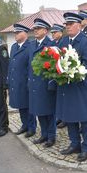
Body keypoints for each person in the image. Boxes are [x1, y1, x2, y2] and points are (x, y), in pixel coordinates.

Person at [56, 12, 87, 162]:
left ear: (79, 25)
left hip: (81, 86)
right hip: (66, 86)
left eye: (70, 24)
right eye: (66, 24)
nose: (68, 27)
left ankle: (86, 147)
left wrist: (72, 72)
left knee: (84, 117)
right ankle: (74, 144)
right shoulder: (63, 41)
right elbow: (58, 60)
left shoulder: (86, 41)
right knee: (69, 116)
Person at [28, 18, 57, 148]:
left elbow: (54, 67)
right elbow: (29, 66)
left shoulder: (50, 45)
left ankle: (51, 136)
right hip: (34, 83)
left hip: (45, 84)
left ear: (45, 30)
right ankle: (44, 134)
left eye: (38, 29)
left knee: (49, 112)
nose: (35, 31)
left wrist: (51, 84)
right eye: (34, 29)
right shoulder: (32, 44)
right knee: (39, 111)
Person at [8, 24, 37, 138]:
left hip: (25, 81)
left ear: (25, 33)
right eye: (15, 33)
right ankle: (24, 125)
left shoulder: (30, 46)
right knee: (20, 105)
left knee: (28, 106)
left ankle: (31, 127)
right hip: (16, 81)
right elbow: (11, 65)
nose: (15, 35)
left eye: (17, 32)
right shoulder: (14, 47)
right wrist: (9, 79)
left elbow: (31, 66)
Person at [50, 23, 67, 129]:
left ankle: (64, 119)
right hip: (55, 73)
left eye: (54, 32)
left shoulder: (63, 42)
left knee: (63, 97)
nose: (53, 34)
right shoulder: (52, 42)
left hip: (62, 73)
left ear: (60, 32)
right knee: (57, 98)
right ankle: (59, 117)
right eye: (52, 32)